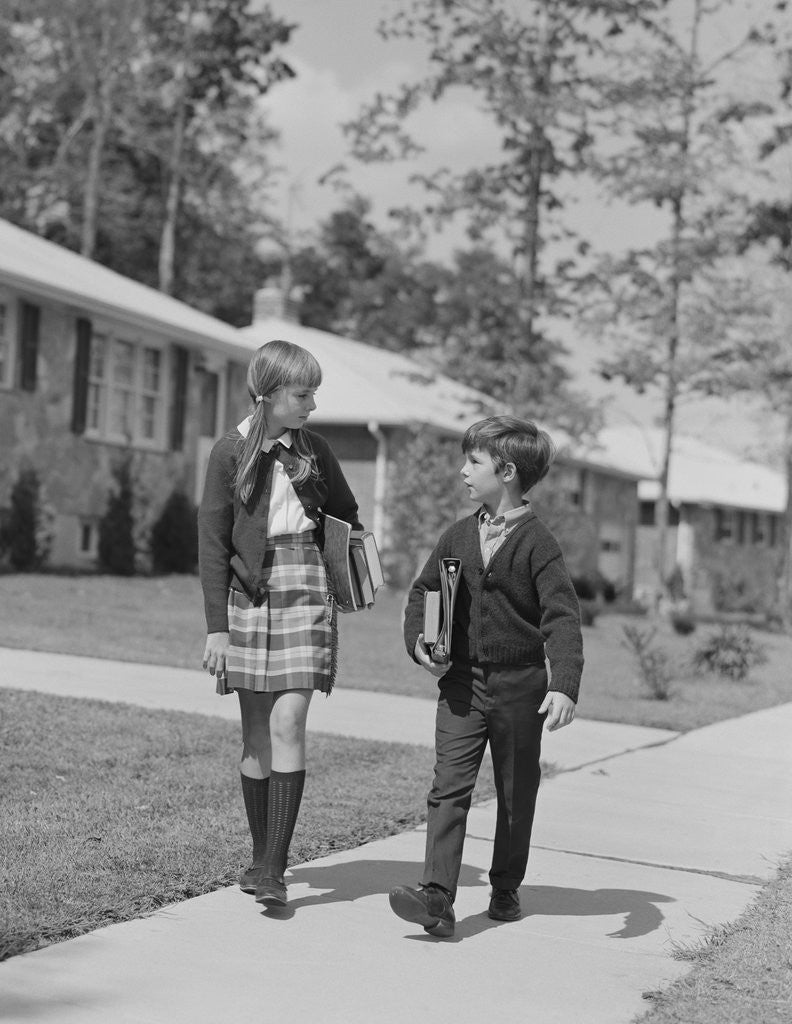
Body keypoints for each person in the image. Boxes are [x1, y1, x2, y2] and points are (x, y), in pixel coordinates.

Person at [389, 415, 583, 937]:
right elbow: (422, 594)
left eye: (473, 461)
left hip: (521, 686)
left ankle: (505, 886)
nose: (462, 470)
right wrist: (419, 643)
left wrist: (563, 681)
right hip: (461, 685)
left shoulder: (539, 543)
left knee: (517, 792)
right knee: (447, 786)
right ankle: (437, 896)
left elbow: (562, 616)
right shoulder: (457, 534)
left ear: (508, 471)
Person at [198, 339, 363, 908]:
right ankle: (259, 854)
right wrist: (217, 626)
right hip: (250, 594)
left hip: (306, 587)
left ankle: (272, 868)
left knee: (289, 721)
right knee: (255, 730)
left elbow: (348, 513)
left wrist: (346, 554)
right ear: (267, 394)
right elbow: (213, 544)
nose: (313, 404)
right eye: (303, 393)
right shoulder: (229, 453)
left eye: (314, 391)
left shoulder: (315, 451)